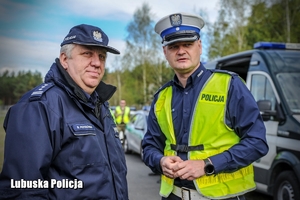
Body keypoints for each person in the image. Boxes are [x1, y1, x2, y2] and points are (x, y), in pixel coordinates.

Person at [142, 13, 269, 200]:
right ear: (165, 52)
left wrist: (208, 164)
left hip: (223, 197)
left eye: (187, 44)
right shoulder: (162, 97)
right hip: (173, 196)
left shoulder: (230, 85)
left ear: (199, 46)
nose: (181, 51)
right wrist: (160, 161)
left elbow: (257, 142)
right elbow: (149, 146)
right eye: (174, 46)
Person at [0, 24, 128, 200]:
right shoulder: (39, 106)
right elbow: (22, 190)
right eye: (87, 54)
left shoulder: (101, 106)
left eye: (102, 56)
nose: (97, 63)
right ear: (64, 60)